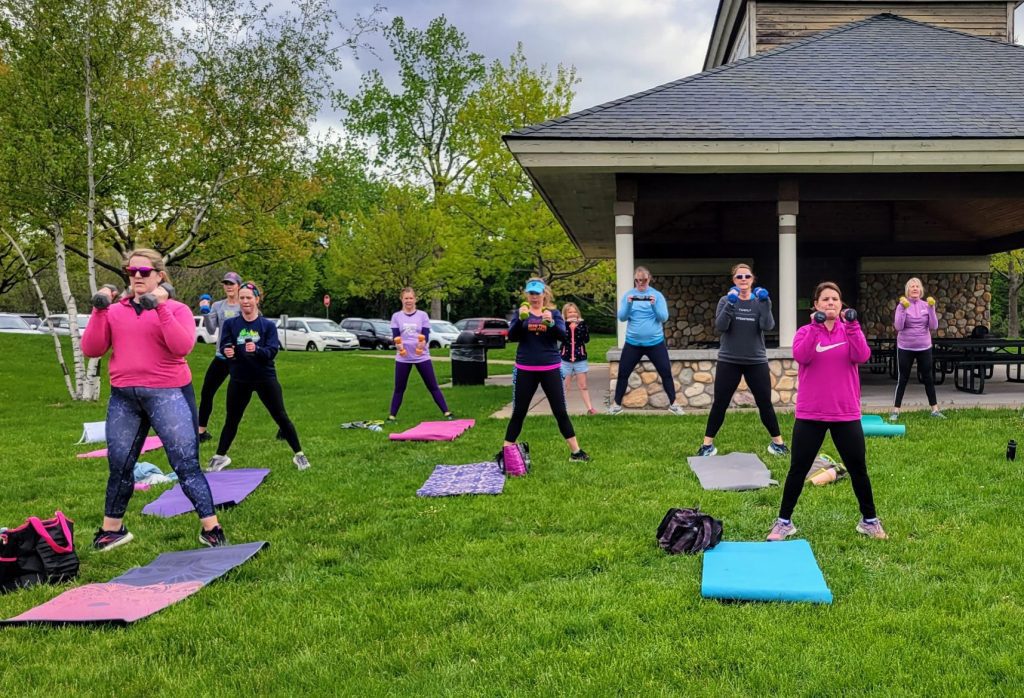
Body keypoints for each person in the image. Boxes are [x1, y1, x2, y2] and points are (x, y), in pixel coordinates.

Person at [82, 248, 226, 550]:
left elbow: (182, 347)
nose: (136, 276)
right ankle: (112, 530)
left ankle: (211, 528)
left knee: (185, 464)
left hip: (168, 394)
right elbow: (92, 348)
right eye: (131, 271)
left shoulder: (177, 310)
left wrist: (159, 307)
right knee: (120, 465)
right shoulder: (116, 310)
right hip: (125, 397)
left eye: (144, 272)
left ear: (159, 276)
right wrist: (99, 310)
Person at [766, 281, 887, 542]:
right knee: (798, 468)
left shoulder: (850, 330)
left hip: (846, 413)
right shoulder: (805, 332)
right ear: (816, 306)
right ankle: (784, 522)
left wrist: (853, 326)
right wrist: (814, 326)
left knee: (858, 469)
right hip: (811, 414)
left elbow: (862, 355)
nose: (830, 303)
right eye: (825, 299)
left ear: (841, 305)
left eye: (835, 299)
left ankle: (869, 521)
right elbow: (802, 355)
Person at [206, 282, 310, 472]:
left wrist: (258, 350)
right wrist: (228, 351)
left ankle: (299, 455)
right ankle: (220, 456)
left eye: (249, 298)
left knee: (280, 416)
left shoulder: (267, 325)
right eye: (242, 298)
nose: (245, 301)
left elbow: (272, 351)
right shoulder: (231, 324)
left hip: (264, 378)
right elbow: (225, 345)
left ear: (257, 299)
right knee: (232, 419)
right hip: (239, 379)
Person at [697, 264, 788, 457]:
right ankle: (707, 446)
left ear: (752, 279)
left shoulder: (761, 301)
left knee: (764, 403)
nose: (744, 279)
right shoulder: (725, 300)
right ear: (734, 280)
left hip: (756, 360)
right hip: (729, 359)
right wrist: (731, 304)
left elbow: (768, 325)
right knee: (720, 403)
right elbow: (721, 326)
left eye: (747, 276)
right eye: (740, 277)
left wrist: (765, 304)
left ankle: (778, 444)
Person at [504, 278, 590, 461]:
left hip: (550, 368)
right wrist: (520, 320)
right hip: (525, 368)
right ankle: (505, 452)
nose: (534, 297)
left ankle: (576, 452)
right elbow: (512, 336)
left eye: (538, 293)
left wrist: (551, 323)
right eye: (531, 293)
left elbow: (563, 336)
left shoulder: (554, 313)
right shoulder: (521, 312)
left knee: (560, 411)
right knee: (519, 412)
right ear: (527, 294)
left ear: (545, 294)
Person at [608, 266, 684, 415]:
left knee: (666, 373)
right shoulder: (628, 295)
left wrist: (654, 304)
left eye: (643, 280)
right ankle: (616, 406)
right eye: (637, 280)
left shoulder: (657, 296)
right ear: (635, 280)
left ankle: (674, 404)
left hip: (655, 343)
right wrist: (629, 304)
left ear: (649, 279)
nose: (640, 283)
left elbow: (663, 318)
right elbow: (622, 317)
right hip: (633, 343)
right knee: (623, 373)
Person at [388, 287, 453, 422]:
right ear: (402, 300)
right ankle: (392, 416)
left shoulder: (422, 315)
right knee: (399, 388)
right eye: (406, 298)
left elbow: (426, 334)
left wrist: (422, 343)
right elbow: (395, 336)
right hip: (403, 358)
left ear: (415, 299)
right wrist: (398, 345)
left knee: (432, 386)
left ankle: (447, 412)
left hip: (421, 356)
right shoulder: (396, 316)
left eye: (411, 298)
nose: (408, 301)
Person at [196, 272, 243, 442]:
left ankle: (282, 428)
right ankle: (201, 432)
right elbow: (210, 330)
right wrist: (206, 312)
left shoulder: (245, 304)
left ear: (239, 285)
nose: (229, 286)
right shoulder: (218, 305)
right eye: (226, 283)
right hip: (221, 357)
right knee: (207, 392)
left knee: (260, 391)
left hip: (241, 359)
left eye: (232, 283)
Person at [890, 277, 944, 421]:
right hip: (905, 347)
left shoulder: (927, 305)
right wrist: (902, 309)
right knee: (903, 378)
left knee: (928, 378)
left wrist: (932, 309)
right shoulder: (901, 306)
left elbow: (933, 326)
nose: (915, 289)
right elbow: (899, 327)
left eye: (917, 286)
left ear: (921, 290)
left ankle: (935, 410)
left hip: (924, 346)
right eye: (912, 286)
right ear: (907, 290)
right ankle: (895, 411)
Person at [560, 302, 597, 415]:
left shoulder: (582, 324)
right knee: (564, 386)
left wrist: (576, 328)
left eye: (574, 311)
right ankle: (561, 410)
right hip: (565, 360)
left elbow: (586, 339)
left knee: (583, 385)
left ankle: (590, 408)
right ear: (565, 314)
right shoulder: (562, 324)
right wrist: (569, 327)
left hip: (580, 359)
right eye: (570, 312)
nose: (573, 314)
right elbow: (562, 338)